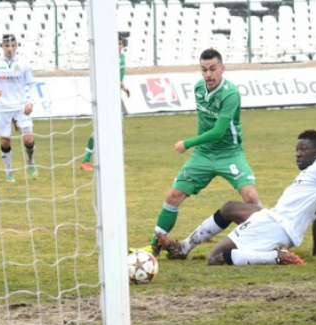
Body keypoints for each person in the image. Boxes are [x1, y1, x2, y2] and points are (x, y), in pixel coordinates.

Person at [156, 129, 316, 266]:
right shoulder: (314, 178)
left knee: (215, 258)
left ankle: (276, 256)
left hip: (275, 226)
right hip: (274, 218)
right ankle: (185, 246)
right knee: (230, 208)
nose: (298, 154)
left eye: (303, 150)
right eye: (296, 150)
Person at [141, 48, 259, 256]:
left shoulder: (230, 94)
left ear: (223, 69)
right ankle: (154, 248)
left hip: (229, 153)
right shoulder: (198, 88)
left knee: (250, 196)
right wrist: (197, 146)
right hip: (203, 155)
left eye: (213, 69)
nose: (208, 75)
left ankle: (266, 238)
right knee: (174, 195)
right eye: (203, 70)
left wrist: (187, 143)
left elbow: (219, 131)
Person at [0, 34, 36, 183]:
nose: (9, 49)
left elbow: (31, 84)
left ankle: (30, 162)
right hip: (2, 108)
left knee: (29, 139)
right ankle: (8, 171)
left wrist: (30, 102)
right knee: (6, 141)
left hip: (20, 106)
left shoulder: (24, 64)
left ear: (16, 46)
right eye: (7, 46)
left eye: (12, 45)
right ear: (2, 46)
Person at [79, 34, 130, 171]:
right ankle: (86, 161)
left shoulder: (122, 58)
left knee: (118, 130)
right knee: (99, 130)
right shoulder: (106, 60)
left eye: (119, 44)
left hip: (115, 97)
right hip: (105, 98)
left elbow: (117, 79)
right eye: (115, 44)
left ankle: (115, 162)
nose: (118, 46)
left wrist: (123, 87)